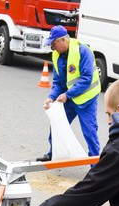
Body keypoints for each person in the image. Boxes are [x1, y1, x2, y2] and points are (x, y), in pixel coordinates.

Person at [36, 25, 100, 162]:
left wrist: (67, 94)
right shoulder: (56, 55)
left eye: (54, 44)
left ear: (62, 40)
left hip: (86, 99)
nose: (52, 48)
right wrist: (51, 97)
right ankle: (52, 153)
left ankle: (95, 165)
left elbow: (86, 78)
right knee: (56, 123)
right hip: (68, 98)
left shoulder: (83, 51)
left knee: (90, 132)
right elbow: (58, 81)